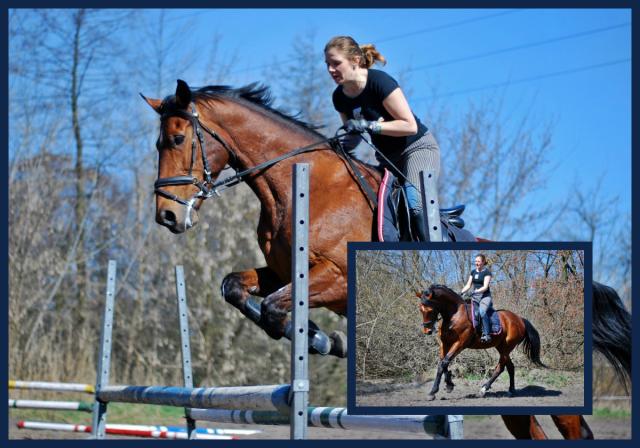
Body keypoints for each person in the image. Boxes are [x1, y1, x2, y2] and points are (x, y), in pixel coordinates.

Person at [324, 35, 441, 241]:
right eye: (328, 64)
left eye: (336, 63)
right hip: (386, 160)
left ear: (355, 60)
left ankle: (435, 257)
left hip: (417, 150)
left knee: (414, 203)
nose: (331, 70)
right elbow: (353, 137)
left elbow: (409, 126)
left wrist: (370, 125)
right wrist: (334, 149)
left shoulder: (379, 82)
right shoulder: (339, 97)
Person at [460, 253, 493, 342]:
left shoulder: (487, 273)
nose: (476, 263)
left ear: (483, 262)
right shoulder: (473, 272)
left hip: (485, 297)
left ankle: (487, 334)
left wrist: (475, 291)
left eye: (478, 261)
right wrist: (461, 292)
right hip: (475, 298)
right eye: (475, 261)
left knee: (481, 312)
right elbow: (468, 285)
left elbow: (485, 287)